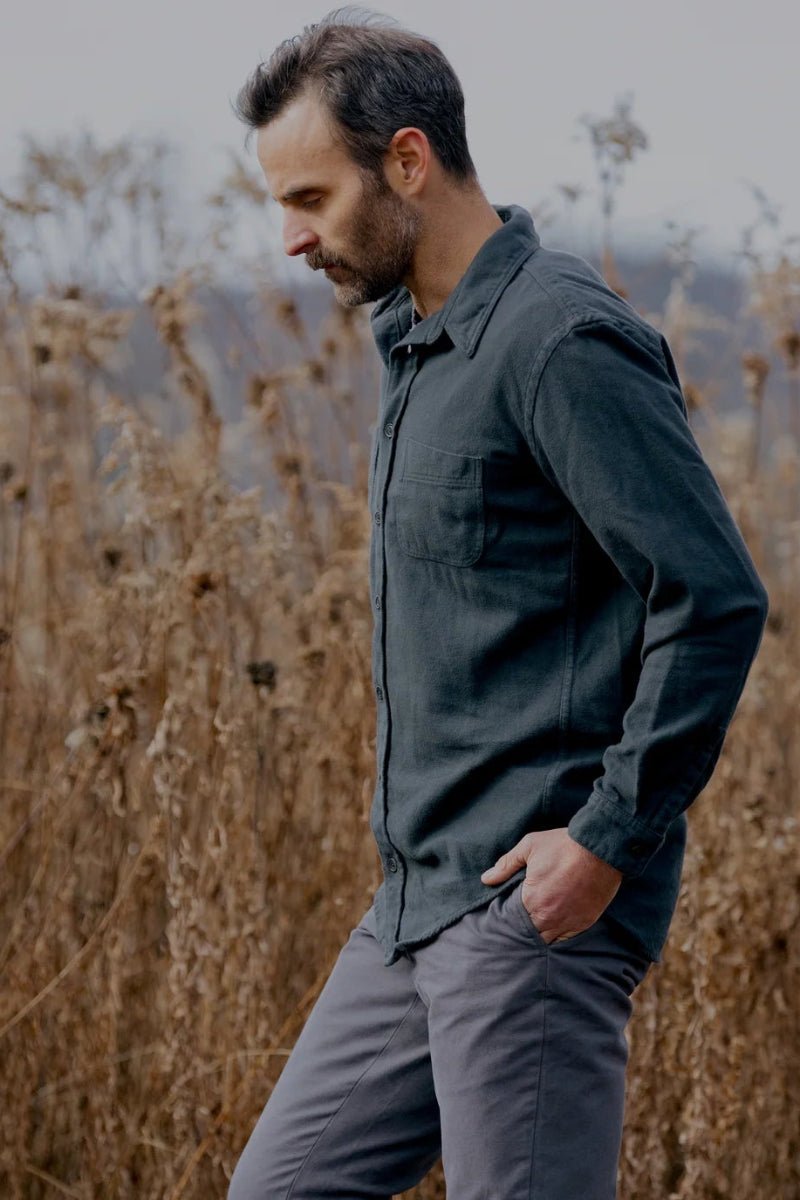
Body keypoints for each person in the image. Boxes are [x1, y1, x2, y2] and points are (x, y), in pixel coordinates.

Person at [227, 7, 770, 1198]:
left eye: (310, 199)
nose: (288, 239)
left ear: (406, 161)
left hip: (530, 914)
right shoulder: (418, 343)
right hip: (411, 909)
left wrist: (603, 841)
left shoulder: (555, 338)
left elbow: (713, 598)